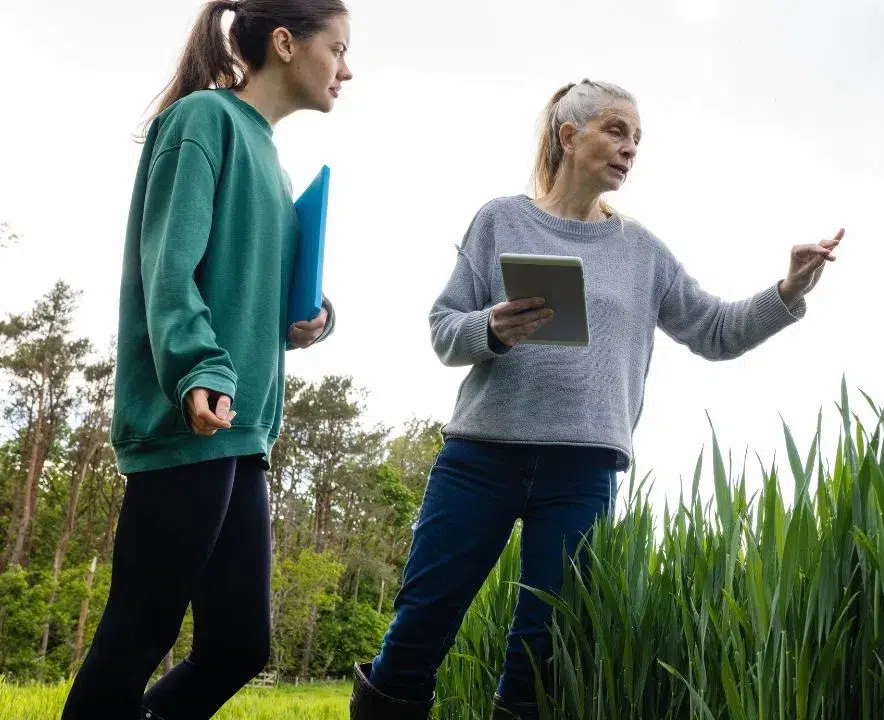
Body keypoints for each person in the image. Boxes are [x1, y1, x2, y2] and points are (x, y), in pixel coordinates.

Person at [348, 78, 842, 720]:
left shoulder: (642, 251)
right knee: (420, 628)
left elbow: (716, 332)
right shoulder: (500, 218)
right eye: (616, 130)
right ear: (567, 135)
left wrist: (788, 289)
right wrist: (491, 329)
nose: (630, 147)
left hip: (583, 471)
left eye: (637, 138)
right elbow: (446, 331)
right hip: (481, 460)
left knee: (542, 657)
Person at [62, 1, 353, 718]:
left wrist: (311, 316)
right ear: (285, 44)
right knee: (139, 628)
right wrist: (199, 367)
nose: (348, 70)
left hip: (240, 428)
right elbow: (170, 266)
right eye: (337, 49)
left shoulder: (272, 162)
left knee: (238, 644)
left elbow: (248, 292)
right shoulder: (203, 122)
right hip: (190, 417)